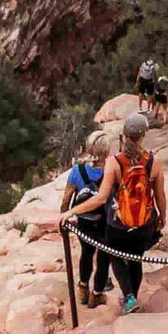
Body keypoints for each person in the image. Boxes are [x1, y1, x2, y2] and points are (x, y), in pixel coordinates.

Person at [65, 110, 165, 315]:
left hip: (118, 223)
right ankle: (132, 298)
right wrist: (162, 218)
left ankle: (128, 298)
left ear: (124, 135)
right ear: (144, 135)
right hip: (144, 223)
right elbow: (160, 196)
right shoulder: (154, 162)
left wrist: (71, 211)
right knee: (135, 259)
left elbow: (101, 198)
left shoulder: (114, 162)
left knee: (115, 255)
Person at [59, 130, 114, 308]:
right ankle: (97, 294)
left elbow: (66, 198)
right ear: (106, 152)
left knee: (87, 253)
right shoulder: (112, 172)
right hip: (105, 222)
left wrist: (64, 216)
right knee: (104, 258)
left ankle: (83, 289)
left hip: (84, 221)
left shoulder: (77, 171)